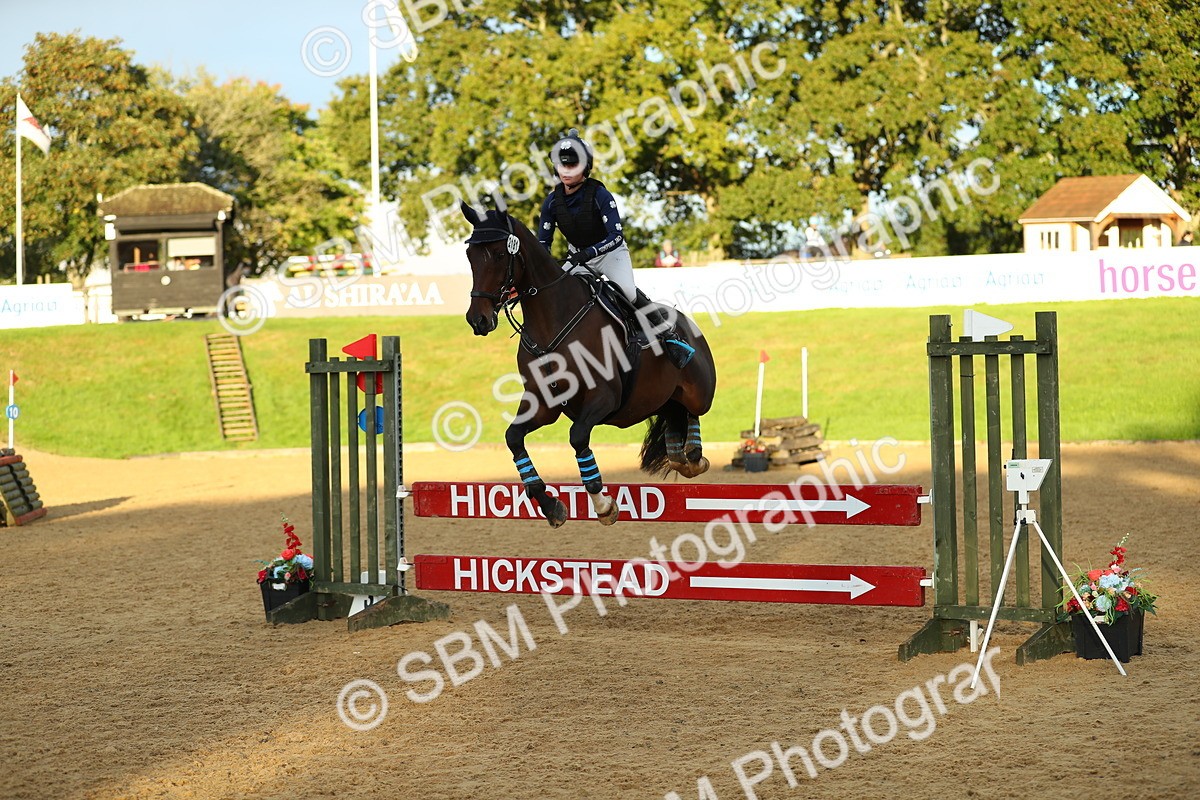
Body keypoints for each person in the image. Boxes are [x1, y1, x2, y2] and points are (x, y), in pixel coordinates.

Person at [536, 129, 694, 369]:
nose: (566, 171)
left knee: (628, 292)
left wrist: (588, 254)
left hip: (610, 253)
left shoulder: (600, 194)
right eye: (562, 165)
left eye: (572, 165)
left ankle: (670, 337)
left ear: (585, 167)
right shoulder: (550, 202)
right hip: (578, 258)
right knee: (561, 295)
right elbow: (543, 245)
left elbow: (616, 235)